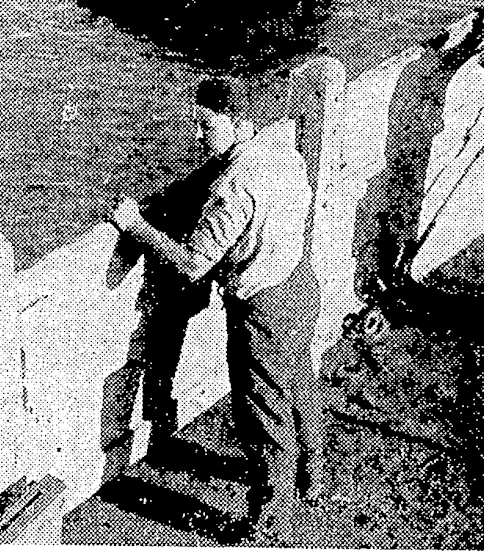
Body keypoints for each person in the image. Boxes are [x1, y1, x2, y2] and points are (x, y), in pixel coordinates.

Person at [108, 76, 324, 542]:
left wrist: (135, 225)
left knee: (261, 410)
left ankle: (272, 515)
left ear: (239, 122)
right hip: (300, 282)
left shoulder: (232, 190)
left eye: (206, 125)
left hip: (260, 307)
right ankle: (314, 472)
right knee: (301, 382)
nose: (198, 134)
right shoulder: (283, 152)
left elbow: (191, 264)